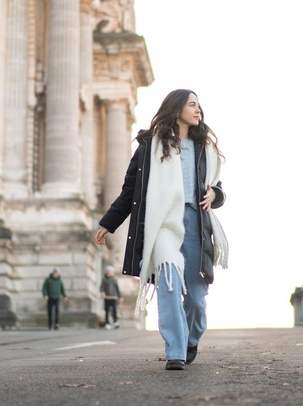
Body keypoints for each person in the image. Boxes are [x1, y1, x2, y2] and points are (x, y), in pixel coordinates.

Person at [95, 89, 228, 371]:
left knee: (196, 296)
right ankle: (175, 351)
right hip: (162, 223)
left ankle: (191, 339)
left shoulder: (205, 148)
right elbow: (130, 190)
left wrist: (215, 195)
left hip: (195, 223)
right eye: (192, 104)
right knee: (168, 282)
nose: (198, 110)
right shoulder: (148, 148)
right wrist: (109, 222)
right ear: (176, 108)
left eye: (199, 105)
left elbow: (218, 188)